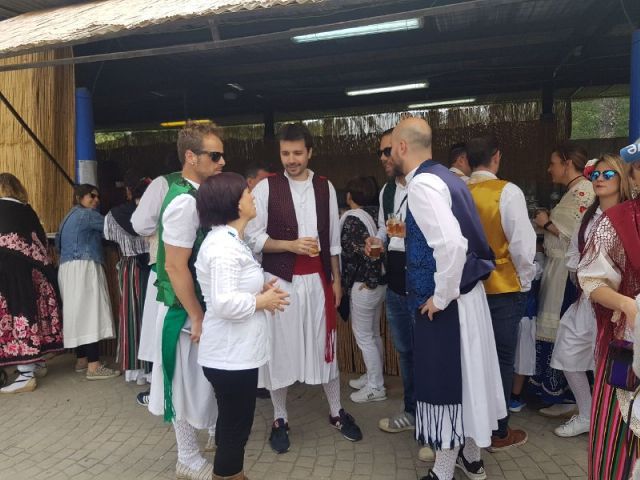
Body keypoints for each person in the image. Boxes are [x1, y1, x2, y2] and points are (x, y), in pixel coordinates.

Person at [390, 117, 505, 480]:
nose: (389, 155)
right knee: (465, 381)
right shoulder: (447, 177)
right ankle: (471, 457)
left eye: (391, 148)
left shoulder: (423, 184)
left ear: (403, 147)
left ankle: (442, 472)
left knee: (444, 385)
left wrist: (440, 297)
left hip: (448, 302)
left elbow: (452, 245)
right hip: (464, 296)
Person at [245, 123, 362, 454]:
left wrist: (335, 281)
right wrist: (290, 245)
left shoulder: (325, 187)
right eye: (285, 153)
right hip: (279, 282)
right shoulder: (266, 188)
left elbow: (332, 242)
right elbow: (253, 237)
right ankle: (280, 418)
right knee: (279, 349)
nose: (291, 160)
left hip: (317, 281)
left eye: (297, 153)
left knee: (325, 344)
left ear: (310, 152)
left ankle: (336, 411)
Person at [195, 172, 289, 480]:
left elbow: (233, 288)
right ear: (234, 203)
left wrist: (260, 290)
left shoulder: (231, 241)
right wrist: (262, 301)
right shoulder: (223, 247)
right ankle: (229, 474)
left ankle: (231, 473)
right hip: (229, 356)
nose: (253, 197)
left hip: (235, 354)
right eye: (248, 193)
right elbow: (224, 303)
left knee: (231, 424)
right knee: (236, 427)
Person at [147, 122, 224, 479]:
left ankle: (211, 438)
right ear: (191, 157)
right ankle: (187, 457)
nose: (222, 162)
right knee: (183, 383)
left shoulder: (197, 195)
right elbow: (175, 266)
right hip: (185, 310)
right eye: (215, 155)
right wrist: (196, 315)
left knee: (201, 380)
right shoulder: (183, 201)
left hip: (198, 307)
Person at [551, 155, 633, 439]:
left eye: (608, 175)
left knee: (613, 364)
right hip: (588, 300)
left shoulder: (632, 215)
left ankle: (615, 422)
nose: (599, 179)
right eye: (596, 175)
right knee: (569, 352)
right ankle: (588, 414)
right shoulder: (589, 217)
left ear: (623, 178)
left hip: (622, 304)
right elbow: (574, 255)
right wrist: (587, 279)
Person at [467, 135, 537, 450]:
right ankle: (498, 430)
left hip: (467, 287)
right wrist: (526, 280)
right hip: (503, 287)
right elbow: (522, 246)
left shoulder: (458, 192)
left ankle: (473, 426)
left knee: (472, 358)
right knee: (501, 358)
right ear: (496, 156)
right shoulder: (507, 192)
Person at [578, 151, 640, 479]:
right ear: (633, 176)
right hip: (629, 343)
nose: (600, 180)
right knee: (618, 438)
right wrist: (628, 306)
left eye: (607, 174)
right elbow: (591, 279)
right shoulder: (618, 221)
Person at [532, 143, 594, 416]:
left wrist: (546, 223)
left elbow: (576, 237)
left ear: (567, 163)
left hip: (565, 273)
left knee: (562, 331)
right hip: (556, 268)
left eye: (553, 163)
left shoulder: (583, 192)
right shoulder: (574, 192)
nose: (550, 168)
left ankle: (568, 397)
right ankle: (564, 395)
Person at [0, 173, 63, 394]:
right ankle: (38, 363)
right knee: (32, 312)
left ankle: (26, 374)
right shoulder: (27, 209)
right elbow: (42, 241)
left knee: (17, 315)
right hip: (36, 272)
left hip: (9, 275)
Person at [57, 184, 119, 380]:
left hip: (66, 268)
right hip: (85, 266)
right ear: (79, 197)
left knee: (77, 313)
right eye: (92, 196)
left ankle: (82, 360)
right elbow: (112, 228)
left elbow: (57, 244)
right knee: (91, 313)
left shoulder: (67, 217)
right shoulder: (88, 215)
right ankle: (94, 366)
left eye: (98, 197)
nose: (96, 200)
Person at [131, 170, 182, 406]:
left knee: (163, 330)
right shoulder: (215, 182)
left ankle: (162, 394)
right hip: (197, 268)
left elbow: (141, 224)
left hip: (166, 267)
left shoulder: (163, 184)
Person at [340, 176, 386, 403]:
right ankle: (373, 377)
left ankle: (376, 387)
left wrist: (370, 280)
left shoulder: (352, 220)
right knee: (373, 334)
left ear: (350, 196)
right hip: (379, 284)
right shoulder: (378, 214)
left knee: (364, 337)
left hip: (365, 284)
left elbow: (368, 252)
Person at [104, 175, 152, 382]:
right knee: (151, 316)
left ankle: (135, 369)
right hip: (153, 267)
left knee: (131, 316)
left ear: (129, 191)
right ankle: (152, 370)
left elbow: (109, 239)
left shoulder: (113, 215)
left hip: (129, 268)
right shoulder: (156, 213)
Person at [510, 242, 545, 413]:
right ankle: (515, 398)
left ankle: (508, 396)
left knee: (507, 358)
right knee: (522, 360)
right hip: (526, 316)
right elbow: (541, 261)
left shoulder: (503, 266)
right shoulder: (535, 268)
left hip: (507, 317)